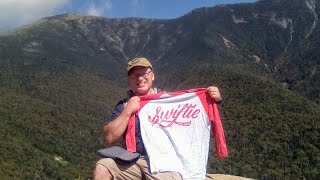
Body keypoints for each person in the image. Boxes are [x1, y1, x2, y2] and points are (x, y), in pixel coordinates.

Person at [93, 57, 222, 180]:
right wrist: (127, 111)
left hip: (163, 162)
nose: (140, 78)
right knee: (102, 167)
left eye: (144, 73)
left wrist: (210, 98)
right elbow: (109, 137)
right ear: (129, 80)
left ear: (152, 76)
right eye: (135, 75)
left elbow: (190, 121)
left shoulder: (166, 102)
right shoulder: (123, 106)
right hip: (130, 160)